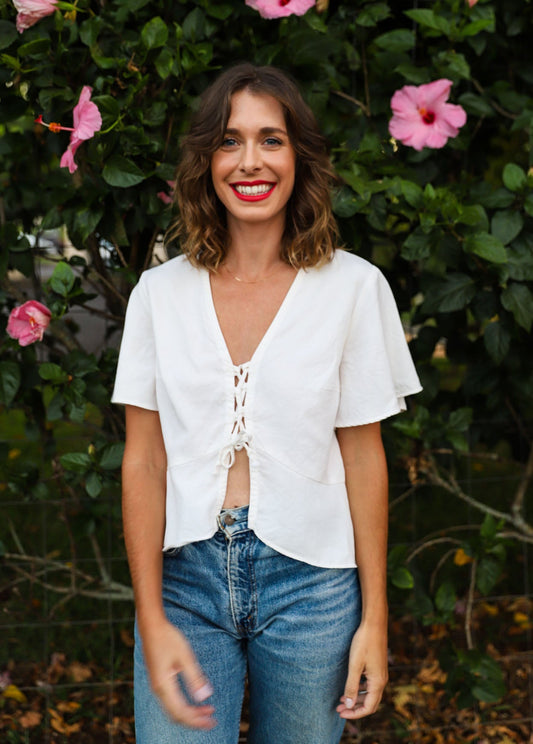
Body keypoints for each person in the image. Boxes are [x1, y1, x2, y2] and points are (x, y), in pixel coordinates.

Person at [112, 63, 422, 744]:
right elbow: (144, 462)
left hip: (313, 586)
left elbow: (363, 457)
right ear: (206, 161)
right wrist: (151, 618)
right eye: (229, 141)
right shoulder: (157, 295)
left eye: (270, 139)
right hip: (184, 583)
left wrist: (374, 620)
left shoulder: (354, 288)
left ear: (298, 156)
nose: (249, 161)